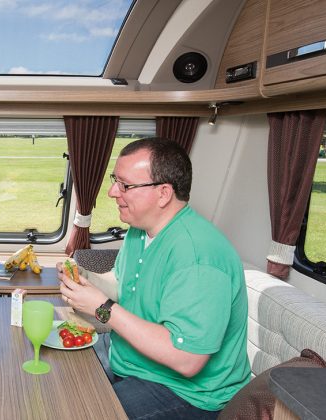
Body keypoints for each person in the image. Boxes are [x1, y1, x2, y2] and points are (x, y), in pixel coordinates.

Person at [58, 138, 250, 419]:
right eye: (115, 180)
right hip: (130, 360)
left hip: (186, 391)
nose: (112, 192)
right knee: (57, 379)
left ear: (163, 194)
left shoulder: (198, 256)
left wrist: (103, 308)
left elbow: (187, 359)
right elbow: (121, 284)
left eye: (125, 185)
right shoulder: (140, 230)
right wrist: (85, 279)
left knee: (86, 411)